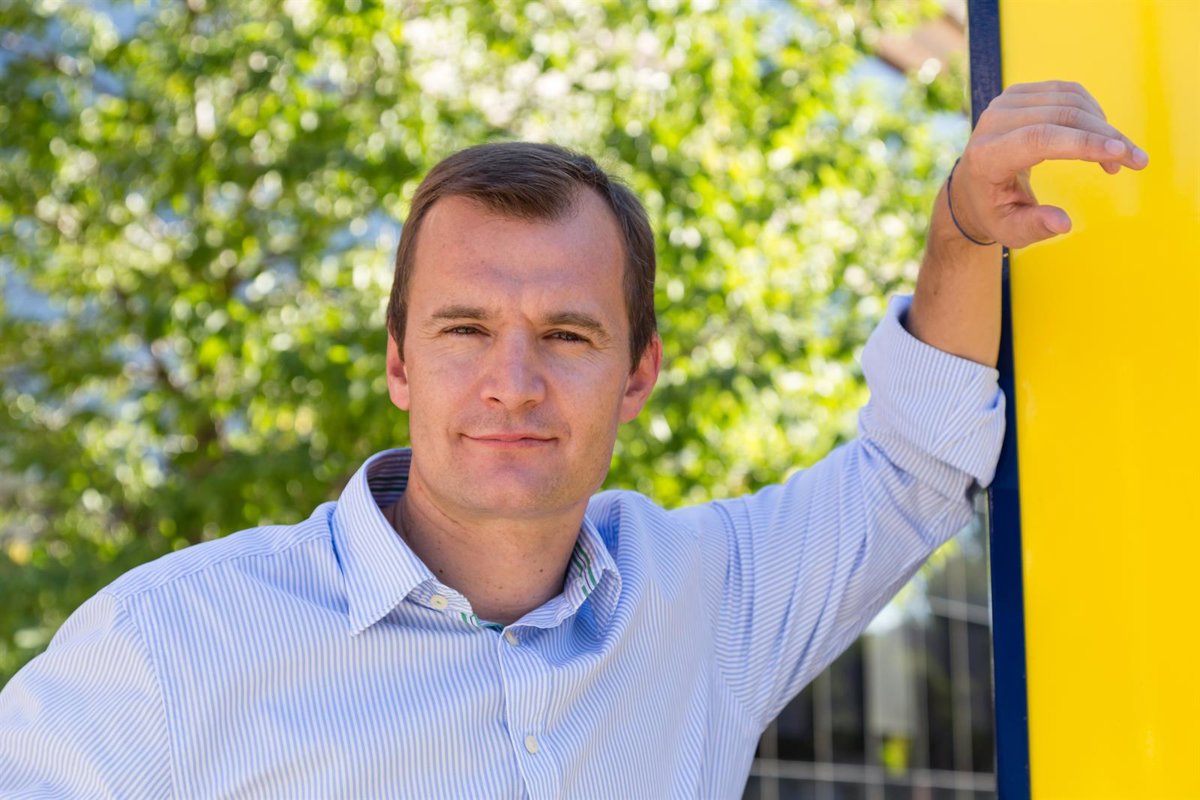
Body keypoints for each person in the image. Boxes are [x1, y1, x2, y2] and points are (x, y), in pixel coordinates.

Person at [0, 81, 1147, 797]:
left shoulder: (712, 602)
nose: (513, 382)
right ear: (399, 362)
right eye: (464, 329)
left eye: (566, 333)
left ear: (639, 372)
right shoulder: (168, 646)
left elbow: (913, 463)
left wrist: (963, 229)